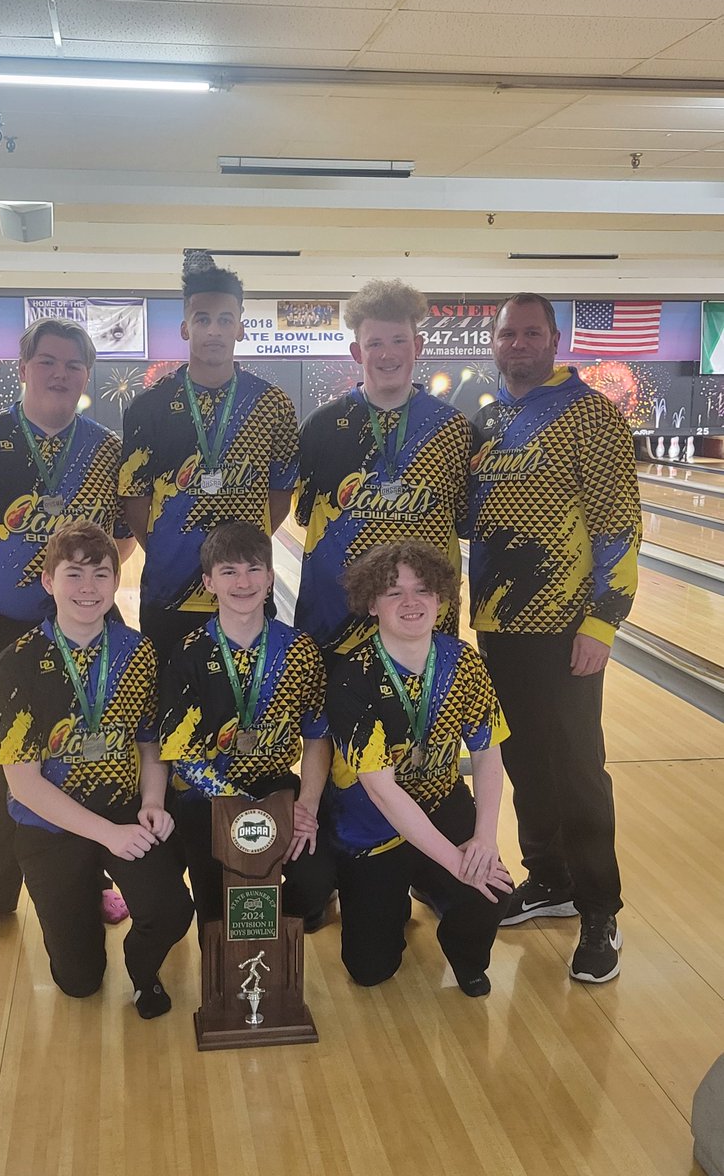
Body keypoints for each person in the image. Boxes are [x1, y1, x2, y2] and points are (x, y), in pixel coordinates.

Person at [0, 317, 134, 946]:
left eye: (73, 364)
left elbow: (121, 535)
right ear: (24, 367)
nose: (60, 374)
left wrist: (83, 595)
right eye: (48, 362)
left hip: (89, 633)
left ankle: (91, 879)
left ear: (87, 374)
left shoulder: (105, 450)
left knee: (93, 756)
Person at [469, 293, 642, 983]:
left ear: (554, 338)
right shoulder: (486, 420)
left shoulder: (590, 417)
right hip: (497, 625)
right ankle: (549, 878)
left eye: (530, 332)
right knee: (523, 762)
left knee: (577, 769)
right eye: (507, 333)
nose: (517, 344)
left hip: (568, 627)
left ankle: (600, 909)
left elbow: (619, 525)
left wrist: (603, 621)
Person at [0, 522, 192, 1016]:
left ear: (116, 581)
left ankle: (144, 973)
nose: (88, 588)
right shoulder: (16, 662)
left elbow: (149, 743)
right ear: (48, 581)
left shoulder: (137, 653)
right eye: (73, 574)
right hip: (49, 827)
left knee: (172, 910)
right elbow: (23, 783)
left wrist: (150, 803)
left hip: (123, 810)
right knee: (78, 982)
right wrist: (108, 836)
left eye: (101, 574)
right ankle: (83, 910)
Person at [326, 540, 512, 996]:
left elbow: (488, 754)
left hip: (442, 802)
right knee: (370, 969)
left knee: (494, 890)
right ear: (372, 604)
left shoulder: (463, 662)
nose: (411, 602)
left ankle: (463, 948)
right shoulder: (353, 676)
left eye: (423, 590)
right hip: (370, 821)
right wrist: (457, 862)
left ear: (440, 598)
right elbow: (382, 792)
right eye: (394, 593)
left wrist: (484, 839)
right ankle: (408, 885)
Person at [120, 256, 299, 665]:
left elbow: (280, 493)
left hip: (246, 591)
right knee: (170, 711)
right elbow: (134, 499)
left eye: (224, 319)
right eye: (202, 319)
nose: (213, 330)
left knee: (242, 711)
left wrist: (242, 556)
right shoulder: (150, 406)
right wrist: (169, 549)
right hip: (170, 591)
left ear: (240, 325)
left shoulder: (272, 404)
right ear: (185, 327)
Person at [158, 521, 334, 933]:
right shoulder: (188, 655)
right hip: (208, 798)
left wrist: (305, 806)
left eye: (254, 569)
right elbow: (183, 757)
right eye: (229, 572)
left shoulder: (300, 651)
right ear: (208, 583)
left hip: (277, 787)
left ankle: (271, 931)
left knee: (314, 882)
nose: (243, 582)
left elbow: (317, 736)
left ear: (271, 578)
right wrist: (250, 809)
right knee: (216, 922)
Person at [294, 279, 471, 663]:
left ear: (418, 346)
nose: (387, 354)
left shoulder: (452, 428)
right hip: (334, 620)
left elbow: (462, 517)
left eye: (398, 340)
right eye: (375, 343)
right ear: (357, 350)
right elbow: (306, 515)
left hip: (422, 623)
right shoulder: (322, 425)